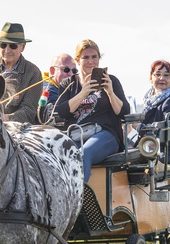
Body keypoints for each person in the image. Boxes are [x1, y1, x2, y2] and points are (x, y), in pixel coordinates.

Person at [55, 39, 130, 182]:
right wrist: (83, 93)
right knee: (58, 156)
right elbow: (62, 111)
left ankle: (78, 199)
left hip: (106, 134)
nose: (91, 61)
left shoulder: (111, 80)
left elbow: (123, 112)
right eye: (85, 57)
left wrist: (109, 92)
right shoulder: (68, 84)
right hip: (77, 134)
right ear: (77, 60)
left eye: (94, 57)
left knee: (83, 154)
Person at [0, 22, 42, 124]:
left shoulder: (33, 72)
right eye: (3, 45)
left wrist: (7, 118)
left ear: (22, 47)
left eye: (13, 46)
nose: (7, 50)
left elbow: (29, 110)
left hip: (17, 129)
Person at [39, 53, 77, 124]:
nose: (71, 74)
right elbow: (60, 113)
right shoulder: (48, 90)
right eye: (66, 69)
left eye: (74, 71)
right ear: (52, 71)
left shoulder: (65, 88)